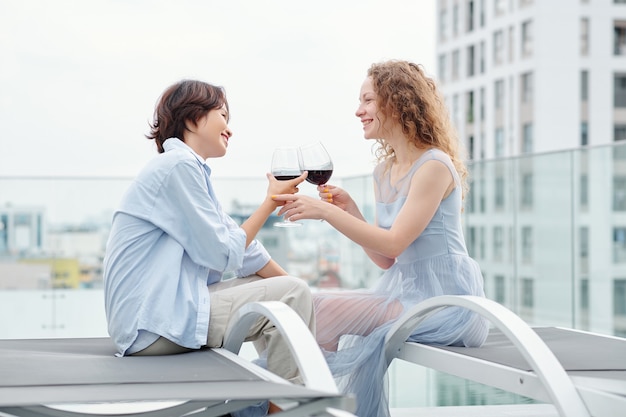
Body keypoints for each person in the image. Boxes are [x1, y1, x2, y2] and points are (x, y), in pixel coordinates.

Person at [272, 60, 489, 417]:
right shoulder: (384, 172)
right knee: (314, 307)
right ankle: (304, 407)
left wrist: (328, 212)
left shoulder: (434, 165)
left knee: (321, 310)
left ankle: (296, 408)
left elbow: (393, 244)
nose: (358, 111)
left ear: (398, 102)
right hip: (404, 292)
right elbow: (386, 260)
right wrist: (352, 211)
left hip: (446, 301)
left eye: (368, 100)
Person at [103, 79, 312, 417]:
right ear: (192, 119)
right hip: (154, 325)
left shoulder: (186, 170)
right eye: (223, 115)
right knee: (294, 293)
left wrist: (305, 298)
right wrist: (270, 202)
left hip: (152, 320)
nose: (230, 128)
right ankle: (281, 410)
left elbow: (245, 250)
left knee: (293, 292)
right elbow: (221, 253)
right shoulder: (178, 167)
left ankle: (270, 400)